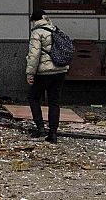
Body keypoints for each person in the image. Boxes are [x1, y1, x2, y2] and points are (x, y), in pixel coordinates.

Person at [24, 10, 68, 142]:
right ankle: (53, 134)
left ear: (33, 21)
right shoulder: (56, 29)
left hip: (44, 72)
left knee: (33, 97)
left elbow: (34, 56)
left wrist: (30, 73)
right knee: (54, 102)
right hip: (60, 70)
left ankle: (40, 129)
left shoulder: (37, 32)